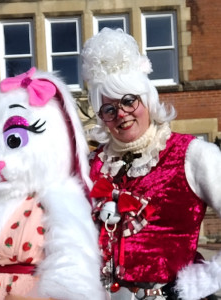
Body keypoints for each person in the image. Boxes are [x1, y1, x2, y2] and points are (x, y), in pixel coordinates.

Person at [81, 27, 221, 300]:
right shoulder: (91, 165)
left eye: (128, 101)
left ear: (146, 98)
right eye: (109, 109)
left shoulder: (193, 154)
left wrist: (201, 282)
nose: (121, 114)